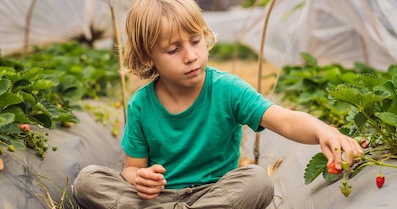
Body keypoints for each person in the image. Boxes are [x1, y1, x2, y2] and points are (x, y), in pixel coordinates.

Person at [73, 0, 363, 208]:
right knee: (88, 182)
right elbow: (132, 168)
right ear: (149, 58)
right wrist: (140, 179)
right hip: (158, 198)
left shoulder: (226, 89)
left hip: (216, 194)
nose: (190, 56)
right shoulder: (141, 104)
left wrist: (325, 131)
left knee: (257, 181)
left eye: (196, 41)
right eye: (174, 49)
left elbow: (284, 119)